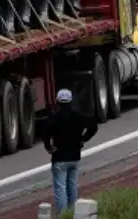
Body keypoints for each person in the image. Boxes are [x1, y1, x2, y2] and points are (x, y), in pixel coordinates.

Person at [41, 88, 98, 216]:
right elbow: (93, 126)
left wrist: (49, 147)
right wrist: (83, 139)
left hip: (59, 158)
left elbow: (45, 133)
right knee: (72, 185)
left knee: (60, 188)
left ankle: (63, 215)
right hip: (74, 156)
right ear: (71, 100)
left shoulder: (55, 118)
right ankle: (73, 213)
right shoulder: (78, 116)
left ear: (58, 101)